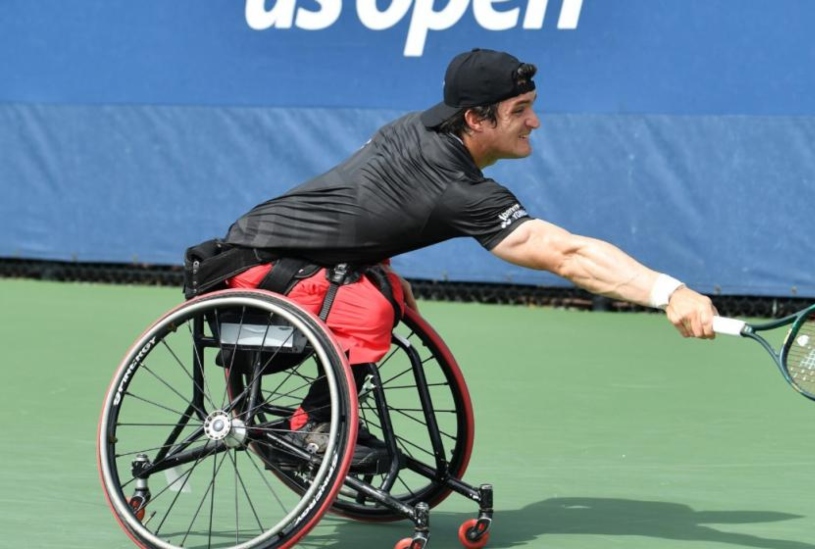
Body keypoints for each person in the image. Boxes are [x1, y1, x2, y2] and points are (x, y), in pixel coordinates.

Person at [220, 48, 718, 471]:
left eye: (532, 106)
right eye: (520, 109)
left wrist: (380, 266)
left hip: (278, 251)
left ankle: (322, 414)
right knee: (367, 307)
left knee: (382, 294)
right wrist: (668, 292)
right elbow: (567, 255)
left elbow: (364, 205)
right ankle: (314, 424)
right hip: (255, 267)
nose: (535, 122)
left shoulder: (420, 127)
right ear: (476, 118)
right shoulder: (456, 188)